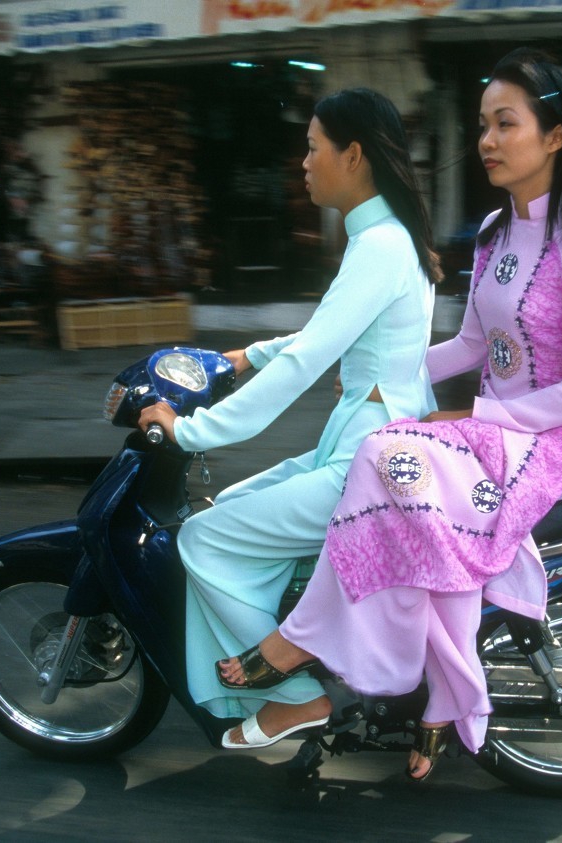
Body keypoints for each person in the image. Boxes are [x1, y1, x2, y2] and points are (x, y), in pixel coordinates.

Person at [216, 48, 562, 782]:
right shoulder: (498, 232)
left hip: (549, 440)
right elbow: (470, 343)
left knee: (384, 457)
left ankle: (301, 644)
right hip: (491, 428)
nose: (488, 141)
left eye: (507, 124)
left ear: (555, 136)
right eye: (483, 125)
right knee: (390, 458)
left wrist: (478, 421)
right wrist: (386, 371)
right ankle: (432, 689)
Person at [137, 88, 442, 732]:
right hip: (365, 446)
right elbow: (326, 335)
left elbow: (309, 362)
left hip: (366, 464)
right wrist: (249, 354)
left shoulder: (381, 246)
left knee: (202, 538)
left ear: (352, 155)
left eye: (312, 147)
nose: (303, 161)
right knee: (228, 507)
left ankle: (296, 692)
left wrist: (189, 431)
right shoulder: (386, 239)